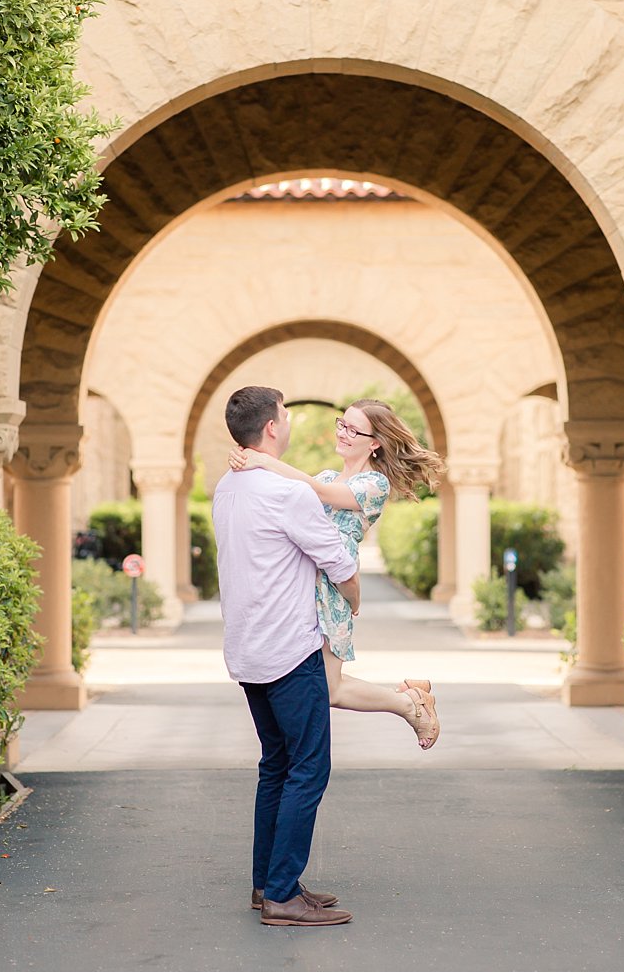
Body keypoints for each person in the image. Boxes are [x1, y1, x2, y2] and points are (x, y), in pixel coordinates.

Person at [212, 385, 357, 928]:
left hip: (247, 649)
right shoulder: (287, 493)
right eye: (286, 415)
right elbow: (337, 562)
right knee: (308, 767)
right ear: (272, 427)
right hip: (289, 649)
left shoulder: (227, 486)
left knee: (276, 764)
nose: (290, 421)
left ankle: (269, 884)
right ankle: (281, 897)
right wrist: (356, 603)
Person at [229, 398, 446, 750]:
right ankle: (411, 702)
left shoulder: (374, 484)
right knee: (324, 686)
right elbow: (291, 496)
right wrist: (246, 461)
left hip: (333, 584)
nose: (343, 433)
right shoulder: (328, 474)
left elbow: (316, 493)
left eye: (353, 429)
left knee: (328, 689)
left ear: (374, 442)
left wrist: (263, 460)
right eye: (341, 424)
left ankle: (412, 705)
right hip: (305, 583)